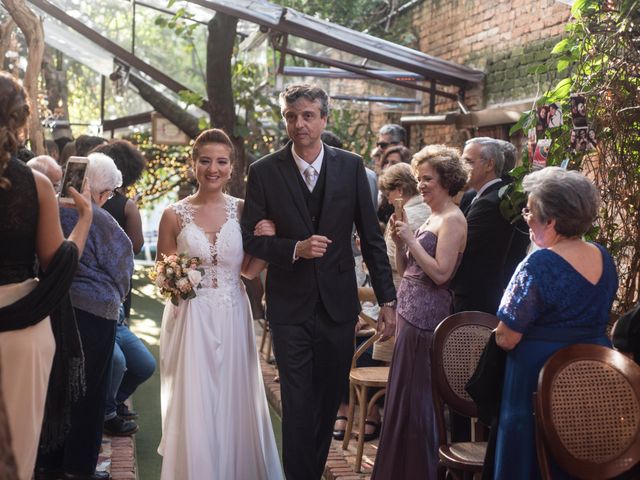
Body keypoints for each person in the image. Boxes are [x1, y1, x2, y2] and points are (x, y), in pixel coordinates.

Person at [241, 84, 396, 480]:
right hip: (288, 306)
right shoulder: (263, 171)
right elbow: (251, 240)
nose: (299, 124)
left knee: (328, 400)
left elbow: (373, 240)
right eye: (291, 116)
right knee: (296, 401)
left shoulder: (351, 167)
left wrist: (388, 301)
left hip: (338, 306)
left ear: (324, 119)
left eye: (308, 115)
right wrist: (294, 247)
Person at [156, 128, 283, 480]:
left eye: (221, 162)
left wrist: (266, 245)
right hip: (191, 316)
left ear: (232, 168)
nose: (213, 168)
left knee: (233, 397)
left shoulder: (243, 211)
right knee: (195, 399)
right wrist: (177, 282)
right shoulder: (173, 215)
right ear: (193, 164)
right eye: (205, 161)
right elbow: (164, 276)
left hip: (232, 311)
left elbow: (247, 270)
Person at [493, 167, 618, 480]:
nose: (527, 220)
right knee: (584, 448)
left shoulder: (538, 263)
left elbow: (507, 337)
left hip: (538, 376)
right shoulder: (604, 256)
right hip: (594, 368)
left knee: (532, 457)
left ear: (550, 220)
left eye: (530, 212)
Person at [0, 72, 92, 480]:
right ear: (19, 122)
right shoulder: (35, 185)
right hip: (22, 328)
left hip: (24, 330)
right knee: (15, 456)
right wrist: (85, 218)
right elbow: (58, 265)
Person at [371, 144, 467, 480]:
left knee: (419, 402)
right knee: (402, 400)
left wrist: (410, 240)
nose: (421, 184)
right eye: (419, 178)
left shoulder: (453, 219)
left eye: (427, 179)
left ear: (447, 180)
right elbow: (407, 268)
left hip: (428, 318)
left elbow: (441, 274)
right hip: (410, 312)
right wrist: (401, 245)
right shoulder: (432, 216)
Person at [36, 152, 133, 480]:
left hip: (54, 308)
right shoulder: (99, 219)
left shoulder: (51, 211)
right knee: (89, 393)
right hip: (93, 313)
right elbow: (122, 268)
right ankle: (79, 468)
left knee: (57, 389)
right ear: (101, 191)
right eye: (109, 194)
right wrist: (115, 300)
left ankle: (50, 461)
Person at [93, 141, 153, 436]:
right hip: (113, 292)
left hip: (109, 296)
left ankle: (108, 407)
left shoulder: (98, 204)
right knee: (115, 357)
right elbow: (137, 245)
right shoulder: (126, 205)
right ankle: (106, 409)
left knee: (132, 358)